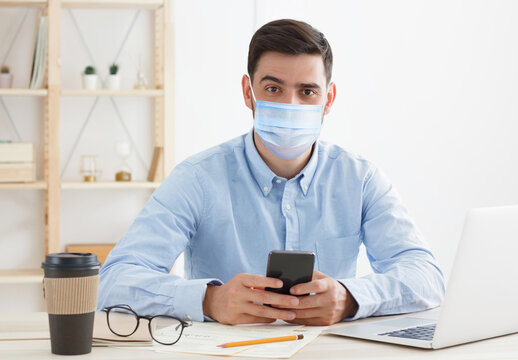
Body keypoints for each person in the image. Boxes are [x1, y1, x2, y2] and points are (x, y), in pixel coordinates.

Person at [98, 19, 445, 326]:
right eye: (273, 88)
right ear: (249, 92)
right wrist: (209, 300)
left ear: (329, 99)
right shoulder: (197, 179)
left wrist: (350, 297)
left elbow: (426, 277)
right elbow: (114, 281)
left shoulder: (360, 179)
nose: (290, 105)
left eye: (307, 91)